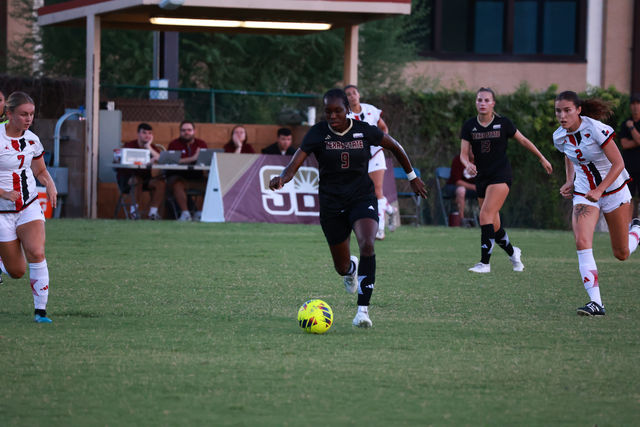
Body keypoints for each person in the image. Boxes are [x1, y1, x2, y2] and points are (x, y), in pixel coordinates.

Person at [269, 88, 427, 328]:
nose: (332, 116)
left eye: (338, 111)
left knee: (367, 243)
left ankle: (363, 311)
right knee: (341, 267)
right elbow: (295, 163)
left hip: (361, 197)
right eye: (328, 111)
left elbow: (394, 146)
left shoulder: (363, 130)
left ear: (348, 110)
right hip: (332, 204)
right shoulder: (318, 133)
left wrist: (412, 176)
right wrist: (282, 178)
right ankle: (351, 269)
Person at [553, 90, 640, 316]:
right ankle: (596, 303)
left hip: (614, 191)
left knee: (621, 253)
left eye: (567, 110)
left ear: (579, 110)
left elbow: (619, 163)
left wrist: (600, 190)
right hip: (584, 193)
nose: (562, 116)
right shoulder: (559, 136)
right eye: (558, 111)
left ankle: (637, 230)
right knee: (582, 242)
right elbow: (568, 154)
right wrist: (570, 180)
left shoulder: (596, 129)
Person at [460, 87, 553, 273]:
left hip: (501, 176)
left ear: (493, 103)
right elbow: (463, 155)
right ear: (476, 102)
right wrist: (467, 164)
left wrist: (541, 157)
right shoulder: (469, 125)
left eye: (487, 100)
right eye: (479, 100)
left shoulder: (504, 123)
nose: (483, 103)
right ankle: (513, 253)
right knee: (494, 224)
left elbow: (524, 141)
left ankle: (484, 264)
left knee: (484, 216)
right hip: (481, 178)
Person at [0, 91, 57, 323]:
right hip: (2, 212)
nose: (28, 119)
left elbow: (40, 170)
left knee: (36, 251)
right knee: (17, 271)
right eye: (23, 114)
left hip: (28, 205)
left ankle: (40, 311)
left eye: (31, 114)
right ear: (9, 113)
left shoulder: (32, 139)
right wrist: (3, 193)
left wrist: (50, 185)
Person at [344, 84, 395, 240]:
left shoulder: (370, 110)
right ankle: (390, 209)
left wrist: (381, 142)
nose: (352, 96)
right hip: (358, 158)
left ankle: (380, 229)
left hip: (375, 154)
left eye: (354, 93)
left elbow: (383, 128)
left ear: (359, 94)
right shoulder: (345, 115)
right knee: (363, 192)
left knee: (377, 191)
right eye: (348, 94)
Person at [116, 123, 166, 219]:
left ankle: (153, 213)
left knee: (160, 184)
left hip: (146, 179)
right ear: (138, 134)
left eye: (150, 133)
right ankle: (133, 213)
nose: (147, 135)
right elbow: (124, 161)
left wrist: (148, 147)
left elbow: (161, 159)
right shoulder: (129, 145)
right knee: (136, 180)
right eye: (144, 133)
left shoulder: (152, 147)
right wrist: (145, 162)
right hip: (127, 179)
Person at [166, 120, 208, 221]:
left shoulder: (201, 144)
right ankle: (185, 214)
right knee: (177, 184)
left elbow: (206, 161)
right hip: (179, 178)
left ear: (194, 131)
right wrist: (193, 158)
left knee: (212, 184)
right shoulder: (174, 144)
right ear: (180, 132)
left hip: (197, 178)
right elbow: (172, 161)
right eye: (183, 130)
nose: (186, 132)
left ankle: (201, 213)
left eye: (189, 130)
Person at [619, 93, 640, 218]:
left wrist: (632, 128)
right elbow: (624, 144)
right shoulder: (624, 123)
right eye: (633, 104)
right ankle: (629, 226)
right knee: (629, 197)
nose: (635, 107)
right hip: (629, 168)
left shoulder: (629, 125)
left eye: (638, 104)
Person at [445, 154, 476, 226]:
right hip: (453, 187)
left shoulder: (481, 161)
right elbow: (457, 181)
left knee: (488, 191)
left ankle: (487, 221)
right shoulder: (458, 160)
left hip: (472, 189)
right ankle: (461, 221)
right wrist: (474, 187)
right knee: (461, 190)